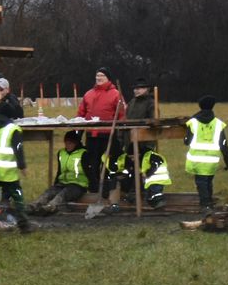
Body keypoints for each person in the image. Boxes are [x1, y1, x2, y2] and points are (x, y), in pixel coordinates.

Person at [77, 67, 125, 198]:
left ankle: (107, 191)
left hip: (108, 134)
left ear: (108, 78)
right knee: (92, 162)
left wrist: (119, 133)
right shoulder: (88, 94)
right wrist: (78, 132)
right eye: (97, 75)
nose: (98, 78)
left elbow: (121, 114)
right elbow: (81, 114)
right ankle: (94, 189)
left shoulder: (116, 94)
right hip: (91, 134)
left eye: (102, 76)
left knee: (108, 164)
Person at [0, 104, 32, 233]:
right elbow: (18, 149)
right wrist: (22, 166)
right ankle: (24, 225)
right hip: (8, 173)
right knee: (18, 198)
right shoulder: (13, 129)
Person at [184, 95, 228, 212]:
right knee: (208, 181)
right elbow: (223, 144)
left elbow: (187, 141)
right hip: (212, 160)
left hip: (197, 160)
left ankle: (205, 205)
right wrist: (227, 161)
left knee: (201, 183)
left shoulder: (193, 122)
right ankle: (209, 202)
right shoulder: (218, 124)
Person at [27, 131, 89, 215]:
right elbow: (60, 170)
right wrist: (56, 183)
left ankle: (50, 207)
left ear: (76, 143)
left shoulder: (83, 153)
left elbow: (89, 172)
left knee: (62, 195)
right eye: (66, 143)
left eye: (70, 143)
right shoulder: (61, 153)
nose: (67, 145)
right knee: (49, 192)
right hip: (62, 183)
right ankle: (33, 206)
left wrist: (92, 187)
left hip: (78, 185)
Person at [124, 77, 156, 154]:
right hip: (130, 141)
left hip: (145, 142)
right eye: (135, 88)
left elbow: (154, 123)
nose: (136, 90)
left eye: (139, 88)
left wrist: (149, 145)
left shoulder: (151, 103)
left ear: (146, 89)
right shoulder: (131, 102)